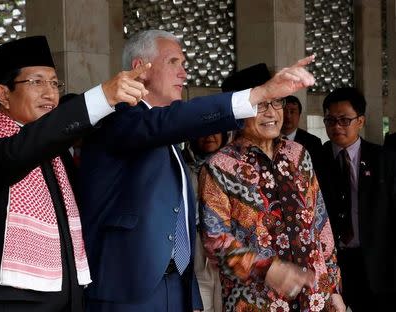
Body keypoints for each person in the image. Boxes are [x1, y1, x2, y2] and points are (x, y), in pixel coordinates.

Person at [78, 29, 316, 312]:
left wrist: (189, 295)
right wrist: (259, 93)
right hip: (129, 291)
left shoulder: (166, 137)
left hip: (174, 288)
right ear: (140, 69)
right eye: (174, 62)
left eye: (184, 64)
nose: (184, 73)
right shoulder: (120, 121)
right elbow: (169, 122)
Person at [0, 35, 150, 312]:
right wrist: (100, 97)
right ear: (4, 94)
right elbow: (18, 153)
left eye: (54, 83)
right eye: (36, 82)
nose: (50, 93)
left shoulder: (56, 155)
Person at [199, 66, 345, 312]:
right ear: (237, 112)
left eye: (276, 103)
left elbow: (321, 224)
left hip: (314, 298)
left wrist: (334, 288)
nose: (272, 113)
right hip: (256, 301)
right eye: (260, 105)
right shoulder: (219, 167)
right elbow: (215, 241)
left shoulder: (299, 154)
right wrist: (265, 268)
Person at [317, 87, 390, 311]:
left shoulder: (383, 158)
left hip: (376, 260)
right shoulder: (314, 160)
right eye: (330, 120)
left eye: (345, 120)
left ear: (360, 121)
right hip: (333, 261)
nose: (337, 126)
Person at [182, 132, 230, 312]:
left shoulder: (233, 168)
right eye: (203, 130)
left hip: (228, 250)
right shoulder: (184, 168)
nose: (209, 135)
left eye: (216, 130)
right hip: (194, 249)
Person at [281, 95, 323, 175]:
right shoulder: (268, 140)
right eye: (284, 111)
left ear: (299, 115)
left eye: (292, 112)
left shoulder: (313, 142)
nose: (288, 116)